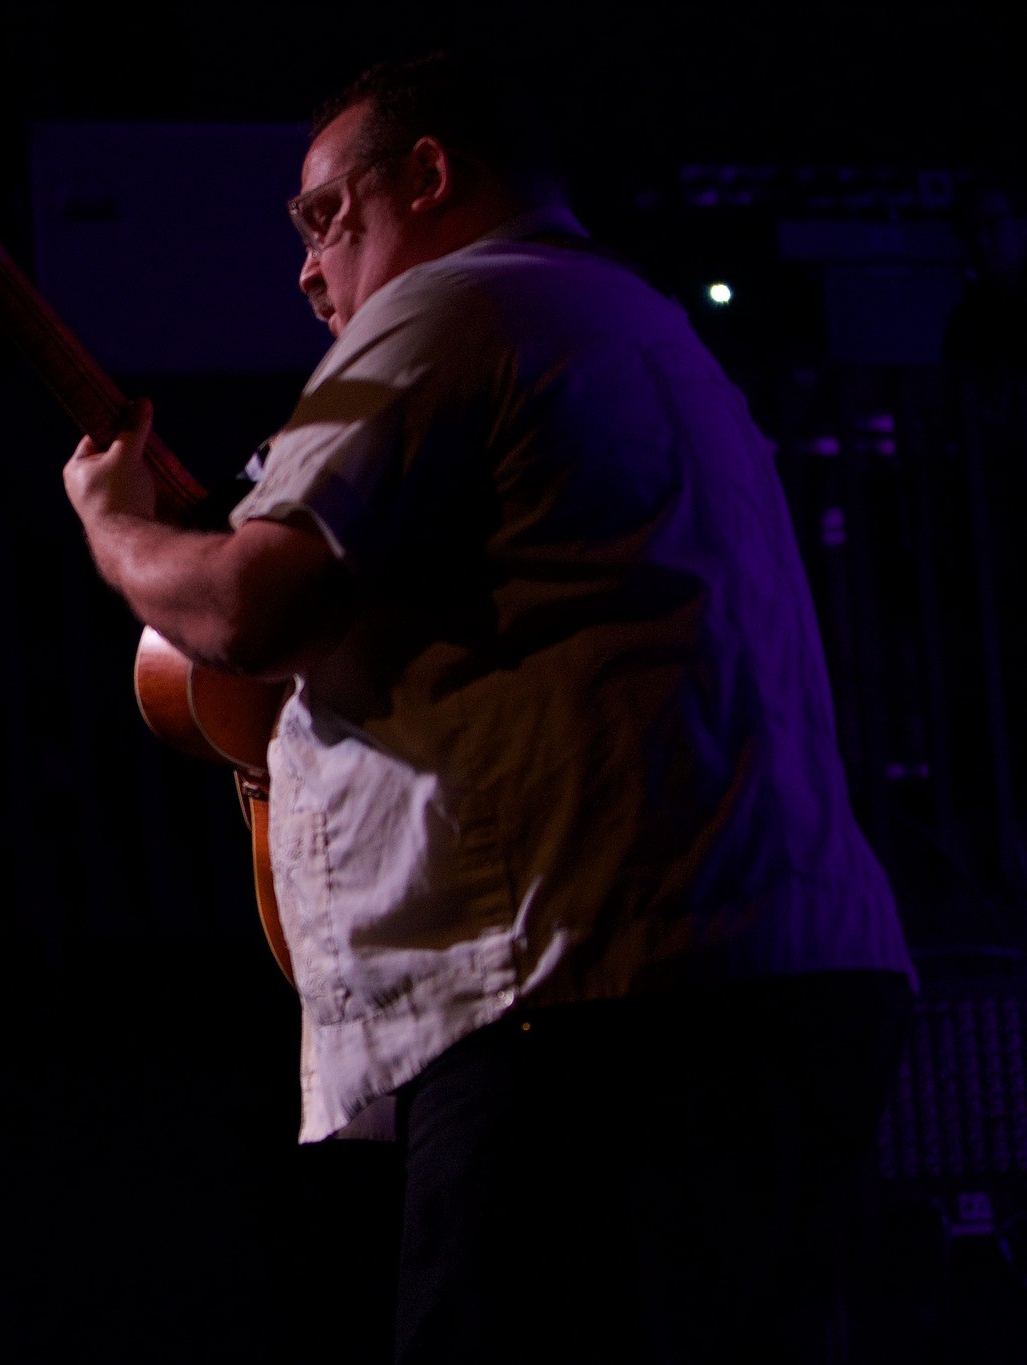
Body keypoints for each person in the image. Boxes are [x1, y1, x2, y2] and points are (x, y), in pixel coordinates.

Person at [61, 52, 915, 1363]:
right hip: (782, 982)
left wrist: (114, 528)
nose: (308, 270)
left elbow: (241, 606)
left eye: (324, 218)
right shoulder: (647, 328)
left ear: (430, 177)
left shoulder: (443, 313)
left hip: (586, 1011)